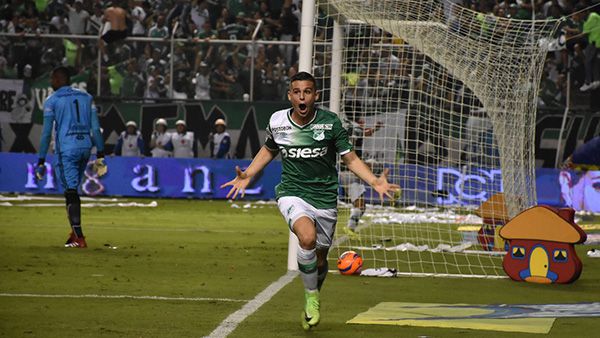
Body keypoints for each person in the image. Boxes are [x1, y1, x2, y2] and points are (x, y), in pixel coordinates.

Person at [221, 72, 399, 330]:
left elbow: (350, 159)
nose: (302, 96)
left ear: (315, 95)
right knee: (306, 238)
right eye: (297, 91)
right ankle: (311, 297)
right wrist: (248, 174)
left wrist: (374, 181)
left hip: (325, 197)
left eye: (307, 92)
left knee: (320, 259)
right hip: (292, 192)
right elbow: (270, 148)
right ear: (290, 95)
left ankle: (314, 290)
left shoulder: (330, 123)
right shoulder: (278, 121)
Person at [36, 66, 107, 248]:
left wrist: (41, 160)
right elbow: (95, 128)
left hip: (66, 149)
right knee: (73, 188)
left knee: (70, 191)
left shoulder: (52, 100)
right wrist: (100, 154)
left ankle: (79, 237)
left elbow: (45, 134)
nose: (51, 82)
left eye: (52, 79)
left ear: (59, 79)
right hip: (85, 147)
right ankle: (73, 232)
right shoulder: (86, 97)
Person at [340, 115, 383, 236]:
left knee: (360, 206)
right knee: (360, 206)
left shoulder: (341, 124)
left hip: (345, 169)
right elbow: (366, 132)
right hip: (351, 170)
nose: (363, 120)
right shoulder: (356, 127)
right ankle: (350, 229)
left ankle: (350, 229)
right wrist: (375, 128)